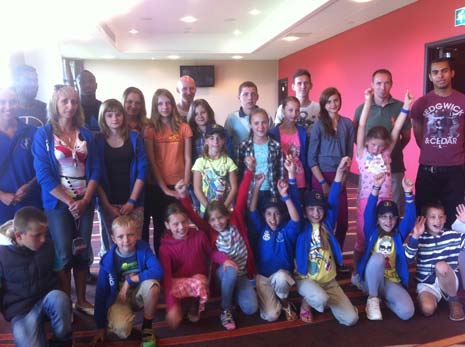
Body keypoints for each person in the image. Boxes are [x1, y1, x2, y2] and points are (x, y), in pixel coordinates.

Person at [32, 85, 99, 316]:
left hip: (86, 201)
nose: (70, 106)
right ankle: (66, 303)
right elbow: (43, 175)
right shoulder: (43, 135)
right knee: (63, 253)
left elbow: (96, 169)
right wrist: (70, 202)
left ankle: (81, 299)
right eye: (64, 101)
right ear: (55, 104)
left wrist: (85, 200)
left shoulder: (87, 133)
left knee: (82, 250)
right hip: (58, 205)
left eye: (74, 101)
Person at [176, 156, 257, 330]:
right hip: (223, 273)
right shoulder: (208, 229)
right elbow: (193, 215)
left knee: (251, 309)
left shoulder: (236, 219)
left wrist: (249, 170)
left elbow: (242, 194)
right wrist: (183, 197)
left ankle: (233, 292)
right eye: (213, 220)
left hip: (242, 274)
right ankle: (225, 308)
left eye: (220, 218)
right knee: (232, 270)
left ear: (227, 216)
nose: (217, 223)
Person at [352, 88, 413, 285]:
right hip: (366, 201)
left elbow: (396, 132)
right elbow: (361, 125)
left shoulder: (386, 154)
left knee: (385, 236)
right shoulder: (361, 154)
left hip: (385, 202)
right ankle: (357, 272)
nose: (377, 149)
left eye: (380, 145)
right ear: (367, 143)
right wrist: (368, 101)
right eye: (373, 145)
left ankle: (386, 271)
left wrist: (406, 107)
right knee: (362, 238)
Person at [294, 157, 358, 326]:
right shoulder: (301, 227)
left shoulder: (327, 224)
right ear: (305, 212)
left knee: (351, 319)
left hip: (328, 281)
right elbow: (294, 201)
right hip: (307, 279)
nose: (316, 213)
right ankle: (308, 301)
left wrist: (339, 173)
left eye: (319, 209)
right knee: (320, 299)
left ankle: (320, 298)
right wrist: (292, 178)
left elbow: (334, 200)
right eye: (311, 209)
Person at [0, 207, 72, 347]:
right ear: (19, 235)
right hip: (21, 308)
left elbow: (61, 274)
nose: (43, 239)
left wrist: (67, 305)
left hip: (47, 297)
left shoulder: (48, 245)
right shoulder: (2, 254)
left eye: (45, 233)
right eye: (37, 235)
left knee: (61, 299)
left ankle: (62, 340)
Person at [159, 202, 234, 329]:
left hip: (197, 280)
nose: (181, 227)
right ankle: (181, 304)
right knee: (172, 289)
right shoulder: (165, 248)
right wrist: (171, 306)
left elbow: (211, 252)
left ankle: (194, 303)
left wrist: (224, 260)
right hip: (178, 282)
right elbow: (166, 277)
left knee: (199, 283)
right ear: (167, 225)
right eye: (175, 224)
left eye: (184, 221)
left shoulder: (199, 236)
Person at [91, 215, 163, 347]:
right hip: (120, 298)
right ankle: (118, 316)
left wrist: (130, 280)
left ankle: (147, 328)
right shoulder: (107, 261)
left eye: (130, 235)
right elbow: (100, 293)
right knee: (123, 332)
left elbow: (158, 271)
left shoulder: (143, 249)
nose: (126, 240)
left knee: (153, 286)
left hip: (137, 293)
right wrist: (100, 327)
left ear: (137, 235)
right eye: (120, 236)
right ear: (113, 238)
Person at [411, 58, 465, 228]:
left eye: (444, 71)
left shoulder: (463, 100)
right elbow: (419, 135)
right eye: (435, 72)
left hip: (455, 171)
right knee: (424, 217)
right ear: (430, 76)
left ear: (452, 73)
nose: (440, 75)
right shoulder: (421, 103)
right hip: (428, 170)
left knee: (455, 220)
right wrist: (432, 149)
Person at [357, 173, 415, 321]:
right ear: (377, 219)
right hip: (371, 276)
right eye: (383, 216)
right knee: (378, 258)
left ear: (396, 219)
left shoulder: (398, 235)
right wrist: (376, 187)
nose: (388, 221)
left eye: (392, 217)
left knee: (407, 312)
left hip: (390, 280)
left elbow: (409, 219)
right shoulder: (372, 230)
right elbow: (369, 211)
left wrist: (408, 192)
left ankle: (384, 298)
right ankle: (372, 298)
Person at [249, 157, 301, 322]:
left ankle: (285, 302)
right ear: (264, 215)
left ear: (282, 215)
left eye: (277, 213)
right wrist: (257, 186)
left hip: (281, 275)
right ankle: (268, 297)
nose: (273, 218)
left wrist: (285, 197)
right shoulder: (261, 227)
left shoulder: (286, 230)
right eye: (269, 214)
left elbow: (296, 219)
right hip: (263, 277)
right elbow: (251, 209)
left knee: (281, 278)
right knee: (271, 316)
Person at [353, 69, 411, 215]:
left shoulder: (398, 106)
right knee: (367, 214)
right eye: (378, 83)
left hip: (394, 166)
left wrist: (406, 106)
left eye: (386, 83)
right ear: (372, 84)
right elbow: (359, 128)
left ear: (391, 84)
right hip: (368, 177)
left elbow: (401, 133)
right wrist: (368, 101)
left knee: (393, 211)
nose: (382, 87)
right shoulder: (361, 109)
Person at [308, 88, 354, 266]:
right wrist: (322, 183)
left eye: (335, 100)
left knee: (342, 221)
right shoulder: (318, 125)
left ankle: (336, 257)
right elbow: (311, 159)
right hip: (321, 177)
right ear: (323, 105)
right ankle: (321, 259)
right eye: (329, 102)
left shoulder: (347, 124)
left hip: (340, 177)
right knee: (322, 221)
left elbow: (349, 155)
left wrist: (342, 180)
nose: (333, 104)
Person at [95, 99, 147, 254]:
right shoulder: (97, 140)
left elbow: (142, 170)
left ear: (123, 116)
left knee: (134, 241)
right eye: (109, 115)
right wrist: (107, 206)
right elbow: (95, 174)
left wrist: (132, 201)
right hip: (108, 201)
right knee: (112, 244)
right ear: (103, 118)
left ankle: (136, 276)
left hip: (134, 200)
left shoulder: (134, 137)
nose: (114, 118)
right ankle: (113, 276)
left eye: (118, 114)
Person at [143, 89, 192, 253]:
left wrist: (185, 184)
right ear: (155, 107)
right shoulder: (150, 130)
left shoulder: (184, 128)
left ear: (173, 104)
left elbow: (188, 158)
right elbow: (152, 161)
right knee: (160, 226)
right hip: (157, 186)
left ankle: (180, 262)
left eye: (168, 103)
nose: (164, 107)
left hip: (178, 185)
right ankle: (162, 263)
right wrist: (164, 188)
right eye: (160, 104)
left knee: (179, 226)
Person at [405, 203, 465, 321]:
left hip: (450, 280)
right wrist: (415, 236)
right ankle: (440, 298)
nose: (437, 220)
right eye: (433, 217)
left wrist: (463, 224)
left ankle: (453, 300)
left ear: (445, 218)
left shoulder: (453, 235)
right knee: (427, 310)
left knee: (441, 265)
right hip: (428, 284)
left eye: (440, 216)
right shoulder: (419, 238)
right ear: (424, 219)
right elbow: (407, 259)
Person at [0, 87, 42, 224]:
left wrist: (29, 186)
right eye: (3, 102)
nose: (8, 107)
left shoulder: (32, 132)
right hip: (3, 207)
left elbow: (43, 166)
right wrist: (2, 195)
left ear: (18, 104)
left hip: (31, 203)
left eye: (12, 102)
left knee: (34, 244)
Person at [238, 108, 284, 208]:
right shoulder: (244, 146)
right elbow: (240, 173)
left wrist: (281, 191)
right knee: (253, 220)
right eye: (256, 123)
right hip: (251, 190)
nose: (261, 127)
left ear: (268, 123)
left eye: (264, 122)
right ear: (250, 125)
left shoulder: (276, 146)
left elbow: (281, 172)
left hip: (271, 191)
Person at [192, 124, 237, 214]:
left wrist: (224, 208)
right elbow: (197, 188)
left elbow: (234, 187)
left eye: (219, 138)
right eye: (212, 138)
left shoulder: (229, 162)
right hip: (206, 210)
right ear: (206, 141)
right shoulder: (200, 162)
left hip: (224, 209)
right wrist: (209, 209)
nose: (216, 142)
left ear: (224, 141)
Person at [269, 96, 309, 196]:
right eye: (290, 110)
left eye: (297, 111)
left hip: (300, 179)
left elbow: (305, 157)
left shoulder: (302, 132)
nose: (294, 114)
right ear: (283, 110)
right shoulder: (273, 133)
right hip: (282, 179)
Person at [187, 98, 234, 163]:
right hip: (198, 170)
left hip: (220, 169)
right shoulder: (190, 134)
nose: (200, 116)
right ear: (192, 116)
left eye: (203, 112)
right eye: (196, 114)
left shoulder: (221, 131)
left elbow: (229, 153)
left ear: (209, 113)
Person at [274, 69, 320, 133]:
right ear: (293, 87)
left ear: (311, 85)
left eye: (306, 83)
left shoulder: (319, 108)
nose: (303, 86)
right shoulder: (282, 108)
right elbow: (277, 133)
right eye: (299, 83)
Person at [224, 81, 259, 158]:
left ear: (257, 97)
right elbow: (226, 143)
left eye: (253, 94)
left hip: (261, 161)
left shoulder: (266, 117)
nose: (250, 98)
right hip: (238, 161)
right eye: (245, 94)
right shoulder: (231, 118)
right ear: (239, 97)